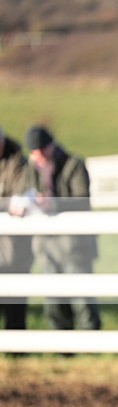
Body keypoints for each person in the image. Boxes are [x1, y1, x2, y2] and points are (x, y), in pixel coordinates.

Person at [11, 125, 101, 331]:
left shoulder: (73, 165)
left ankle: (91, 345)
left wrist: (53, 204)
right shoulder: (31, 169)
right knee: (54, 301)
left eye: (42, 150)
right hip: (45, 245)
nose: (39, 155)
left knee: (82, 299)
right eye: (35, 152)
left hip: (74, 245)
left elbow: (81, 200)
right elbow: (22, 193)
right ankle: (63, 349)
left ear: (51, 146)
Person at [0, 127, 33, 329]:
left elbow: (19, 199)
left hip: (14, 245)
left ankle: (17, 349)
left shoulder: (18, 161)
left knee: (15, 297)